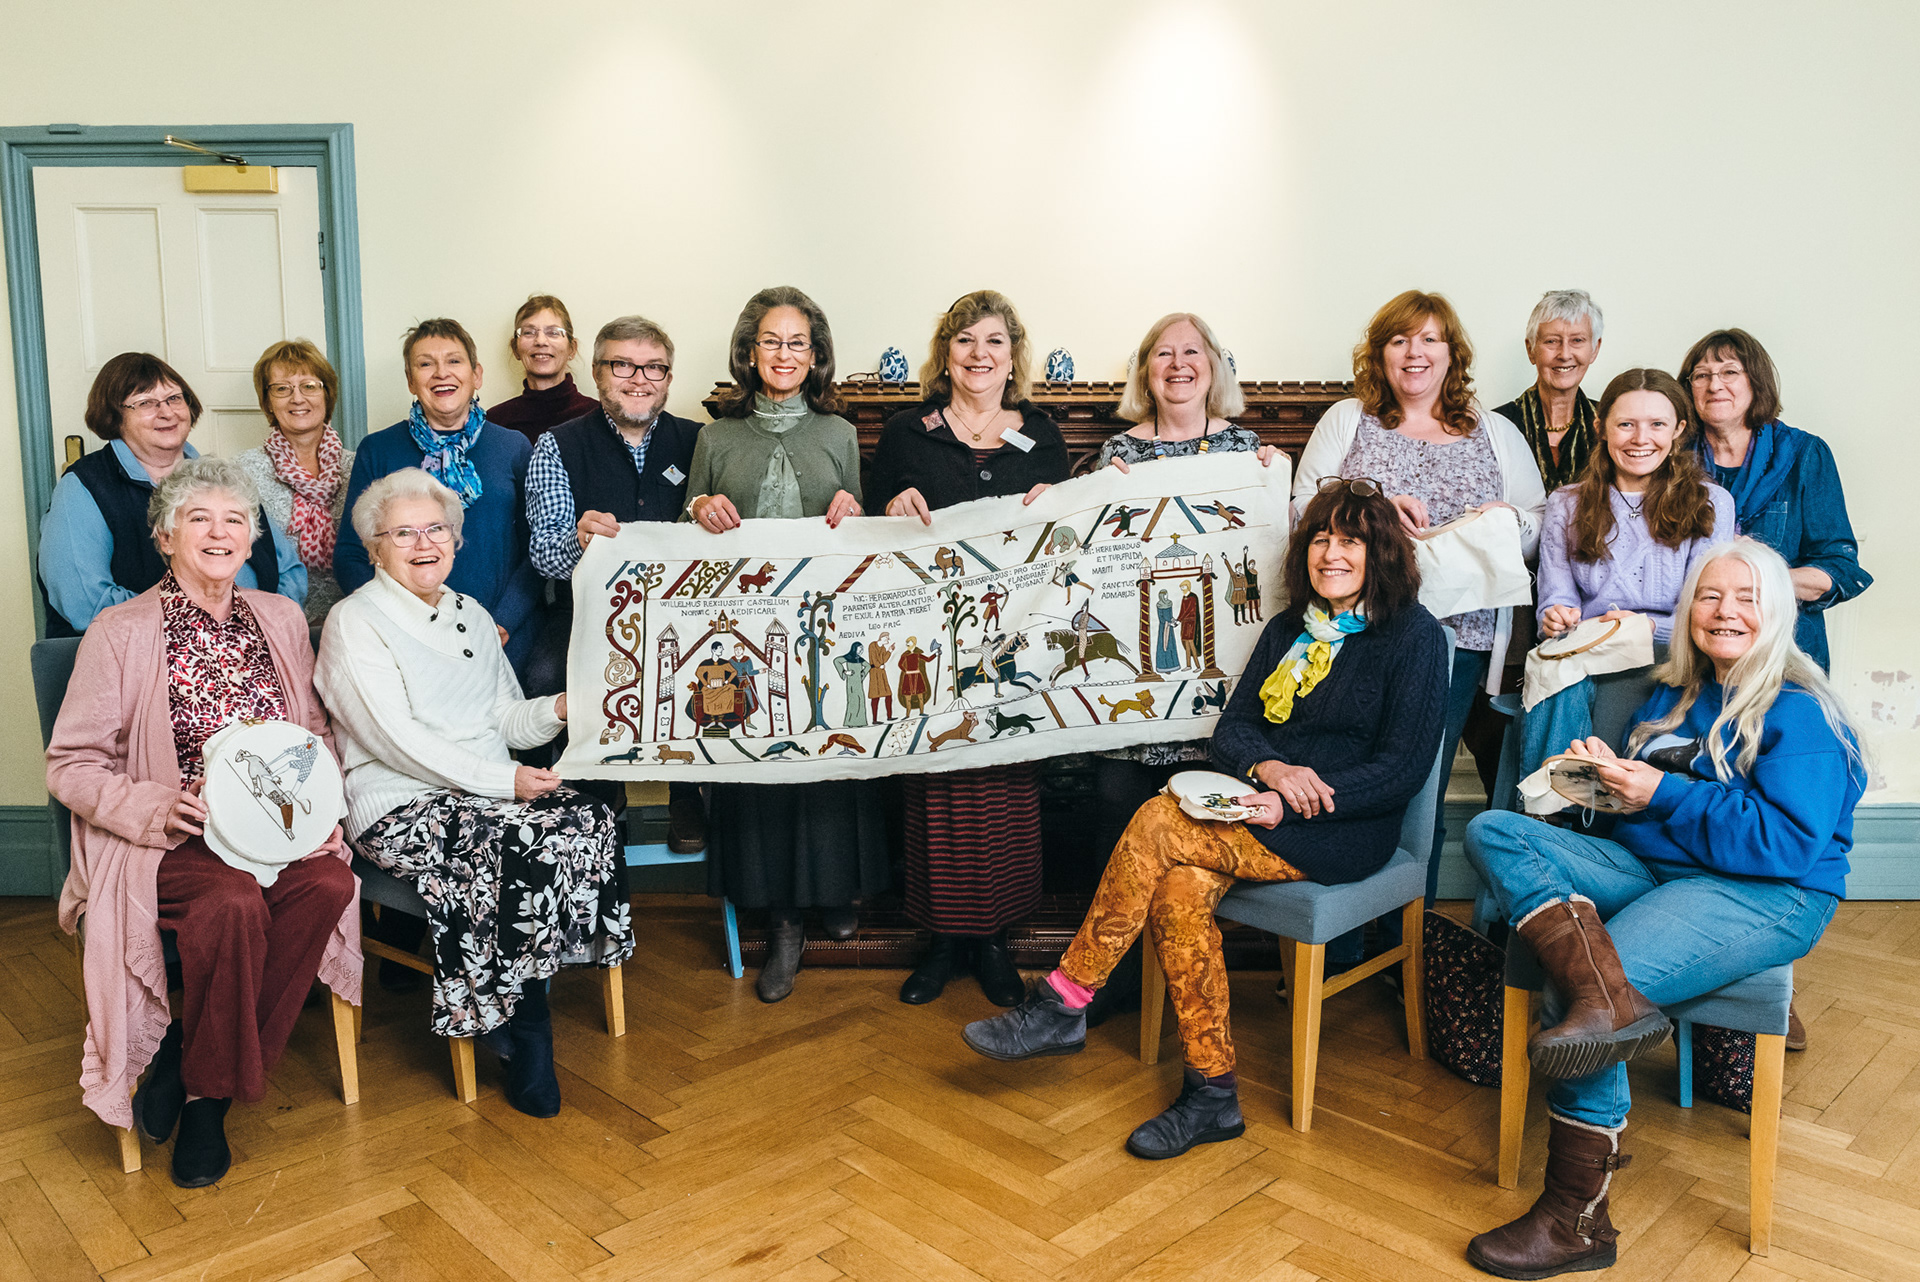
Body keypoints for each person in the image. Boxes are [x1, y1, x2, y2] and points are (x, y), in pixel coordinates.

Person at [960, 484, 1447, 1160]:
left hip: (1340, 828)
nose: (1331, 554)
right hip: (1262, 810)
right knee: (1179, 890)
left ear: (1381, 554)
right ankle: (1213, 1092)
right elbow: (1235, 731)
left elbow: (1404, 767)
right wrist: (1272, 773)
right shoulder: (1290, 629)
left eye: (1350, 541)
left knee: (1159, 819)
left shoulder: (1413, 636)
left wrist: (1300, 797)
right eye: (1321, 539)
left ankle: (1063, 1000)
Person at [1461, 539, 1865, 1278]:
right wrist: (1599, 786)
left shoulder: (1801, 712)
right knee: (1495, 830)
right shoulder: (1672, 696)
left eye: (1746, 597)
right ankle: (1601, 991)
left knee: (1582, 998)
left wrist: (1660, 792)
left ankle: (1577, 1220)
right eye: (1710, 595)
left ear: (1777, 614)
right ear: (1688, 611)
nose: (1725, 611)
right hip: (1657, 869)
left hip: (1765, 894)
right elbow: (1645, 815)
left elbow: (1785, 847)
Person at [47, 457, 358, 1188]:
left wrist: (322, 811)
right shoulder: (120, 631)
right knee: (230, 904)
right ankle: (210, 1103)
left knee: (328, 887)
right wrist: (157, 806)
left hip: (276, 833)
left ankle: (189, 1059)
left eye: (235, 520)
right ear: (165, 536)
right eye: (199, 518)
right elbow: (71, 764)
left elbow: (316, 734)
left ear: (253, 538)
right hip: (172, 839)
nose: (220, 533)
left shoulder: (281, 619)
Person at [316, 469, 633, 1119]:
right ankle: (525, 1035)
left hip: (486, 791)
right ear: (374, 548)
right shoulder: (353, 622)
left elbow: (506, 721)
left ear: (457, 542)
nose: (423, 542)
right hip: (397, 800)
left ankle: (512, 1005)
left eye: (436, 529)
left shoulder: (471, 614)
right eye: (402, 532)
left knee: (589, 818)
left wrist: (564, 708)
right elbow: (398, 741)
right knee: (512, 841)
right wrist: (503, 783)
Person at [1293, 289, 1547, 925]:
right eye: (1401, 339)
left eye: (1431, 339)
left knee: (1420, 787)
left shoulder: (1494, 430)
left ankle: (1408, 938)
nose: (1415, 352)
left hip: (1458, 642)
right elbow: (1300, 510)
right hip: (1357, 634)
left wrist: (1505, 519)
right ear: (1379, 353)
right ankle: (1344, 932)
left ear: (1451, 353)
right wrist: (1374, 504)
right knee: (1349, 773)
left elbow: (1541, 523)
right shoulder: (1349, 419)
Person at [684, 286, 884, 1003]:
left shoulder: (836, 433)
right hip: (740, 641)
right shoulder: (714, 437)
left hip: (822, 637)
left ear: (816, 355)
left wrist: (852, 511)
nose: (784, 354)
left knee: (825, 772)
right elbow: (686, 529)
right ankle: (786, 922)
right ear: (748, 352)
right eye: (771, 341)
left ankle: (833, 891)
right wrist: (699, 507)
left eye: (798, 343)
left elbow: (854, 523)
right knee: (763, 779)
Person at [869, 289, 1069, 1007]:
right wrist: (889, 508)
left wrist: (1059, 507)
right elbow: (868, 535)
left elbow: (1066, 539)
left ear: (1012, 356)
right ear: (945, 355)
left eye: (993, 341)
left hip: (1015, 642)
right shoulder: (904, 434)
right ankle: (942, 939)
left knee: (1006, 787)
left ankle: (992, 942)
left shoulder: (1040, 434)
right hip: (928, 644)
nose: (979, 355)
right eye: (964, 341)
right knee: (937, 789)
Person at [523, 314, 704, 848]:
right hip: (585, 613)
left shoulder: (700, 442)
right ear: (598, 373)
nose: (638, 378)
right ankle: (592, 790)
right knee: (543, 675)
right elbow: (542, 554)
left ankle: (688, 788)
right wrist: (578, 542)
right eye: (622, 364)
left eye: (653, 367)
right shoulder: (557, 445)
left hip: (680, 613)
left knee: (709, 669)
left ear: (669, 378)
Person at [1523, 369, 1734, 776]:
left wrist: (1639, 627)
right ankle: (1550, 804)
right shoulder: (1566, 504)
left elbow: (1706, 613)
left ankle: (1558, 804)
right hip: (1590, 642)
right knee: (1554, 662)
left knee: (1566, 671)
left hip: (1672, 650)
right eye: (1626, 425)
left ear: (1679, 429)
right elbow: (1557, 596)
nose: (1641, 439)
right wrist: (1556, 616)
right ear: (1602, 428)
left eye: (1657, 424)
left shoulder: (1712, 503)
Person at [39, 352, 307, 635]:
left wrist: (259, 624)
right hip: (140, 655)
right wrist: (204, 627)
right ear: (114, 415)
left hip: (252, 643)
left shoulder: (222, 480)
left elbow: (289, 571)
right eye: (145, 403)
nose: (166, 412)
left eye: (174, 399)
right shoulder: (84, 486)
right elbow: (86, 604)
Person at [333, 319, 541, 673]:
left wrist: (504, 621)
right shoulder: (378, 450)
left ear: (476, 374)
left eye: (454, 361)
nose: (441, 373)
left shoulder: (513, 447)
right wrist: (400, 619)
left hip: (503, 634)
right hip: (406, 638)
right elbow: (351, 554)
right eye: (426, 364)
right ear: (411, 381)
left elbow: (537, 551)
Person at [1680, 328, 1870, 672]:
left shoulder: (1804, 454)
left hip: (1787, 652)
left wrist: (1755, 578)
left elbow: (1839, 569)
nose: (1714, 385)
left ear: (1756, 382)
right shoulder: (1671, 458)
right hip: (1697, 653)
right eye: (1701, 375)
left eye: (1729, 372)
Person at [236, 339, 355, 621]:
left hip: (354, 620)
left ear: (328, 394)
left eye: (309, 386)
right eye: (282, 389)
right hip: (273, 621)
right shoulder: (242, 472)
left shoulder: (358, 466)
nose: (297, 398)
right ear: (267, 401)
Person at [1493, 290, 1606, 492]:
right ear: (1531, 350)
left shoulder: (1610, 426)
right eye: (1551, 341)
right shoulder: (1496, 426)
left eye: (1577, 340)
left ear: (1594, 349)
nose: (1564, 354)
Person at [486, 294, 599, 446]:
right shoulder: (495, 422)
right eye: (528, 332)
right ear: (515, 349)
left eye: (553, 332)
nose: (540, 341)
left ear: (572, 348)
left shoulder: (597, 417)